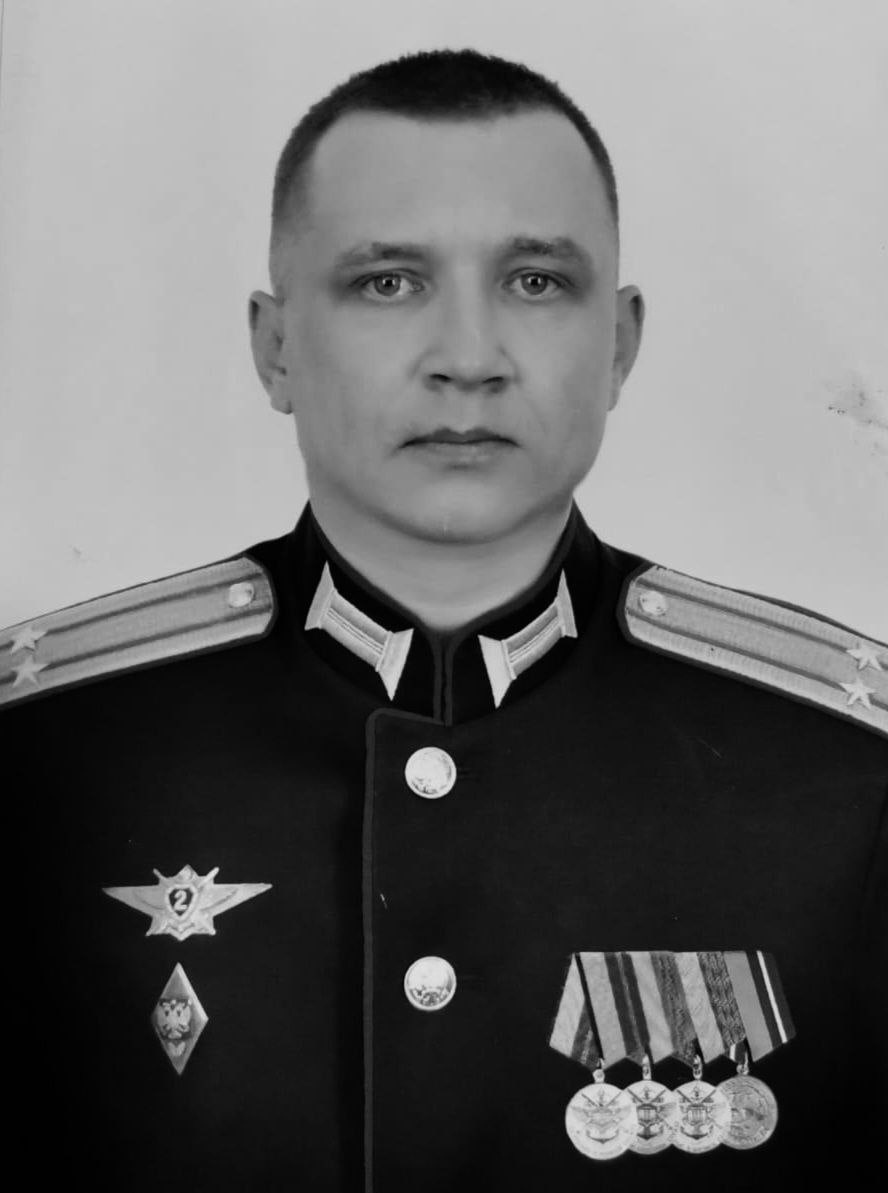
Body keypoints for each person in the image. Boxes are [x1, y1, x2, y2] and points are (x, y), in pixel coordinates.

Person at [2, 49, 885, 1193]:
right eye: (388, 282)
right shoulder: (49, 755)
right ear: (275, 347)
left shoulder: (843, 772)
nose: (468, 360)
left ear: (620, 343)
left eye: (536, 281)